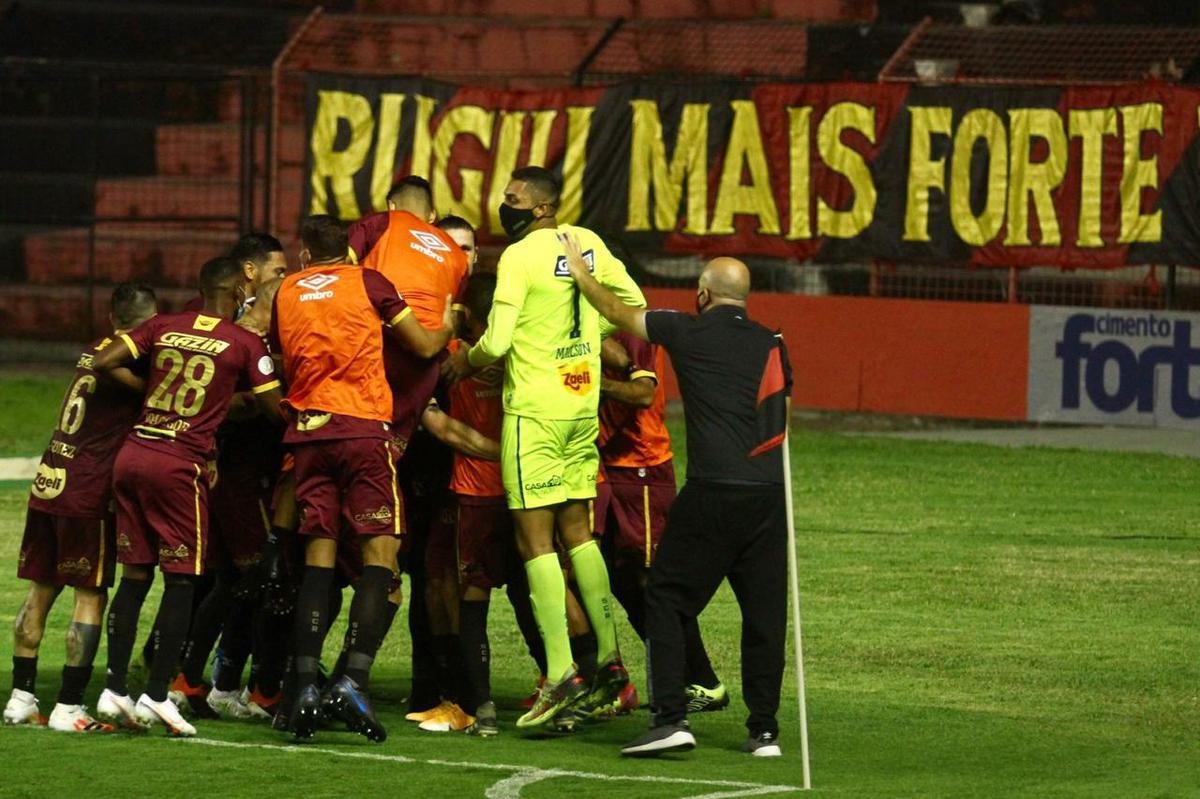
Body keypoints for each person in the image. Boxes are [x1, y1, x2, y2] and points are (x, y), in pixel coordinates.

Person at [559, 240, 792, 758]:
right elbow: (781, 417)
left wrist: (579, 273)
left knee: (664, 596)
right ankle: (764, 732)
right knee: (764, 616)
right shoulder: (771, 342)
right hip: (768, 496)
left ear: (703, 294)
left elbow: (617, 310)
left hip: (713, 492)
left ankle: (670, 719)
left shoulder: (684, 328)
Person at [443, 165, 646, 728]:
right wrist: (577, 340)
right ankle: (609, 663)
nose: (503, 204)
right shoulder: (587, 242)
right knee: (578, 534)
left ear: (539, 206)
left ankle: (560, 673)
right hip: (580, 406)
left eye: (512, 197)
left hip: (534, 413)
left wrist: (466, 363)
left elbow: (497, 342)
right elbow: (630, 302)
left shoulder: (520, 256)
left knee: (534, 543)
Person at [270, 215, 453, 743]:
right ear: (350, 252)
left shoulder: (287, 290)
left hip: (309, 435)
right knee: (382, 557)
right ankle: (352, 679)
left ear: (305, 255)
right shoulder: (370, 282)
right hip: (362, 433)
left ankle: (305, 685)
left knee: (319, 560)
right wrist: (450, 326)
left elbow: (281, 352)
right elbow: (423, 346)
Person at [95, 257, 285, 737]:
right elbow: (273, 408)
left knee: (135, 578)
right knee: (182, 582)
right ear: (238, 291)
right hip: (178, 465)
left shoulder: (163, 325)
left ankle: (114, 688)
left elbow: (103, 361)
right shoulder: (243, 342)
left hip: (134, 454)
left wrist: (150, 394)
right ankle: (158, 695)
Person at [3, 284, 158, 733]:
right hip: (89, 489)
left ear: (112, 317)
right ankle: (69, 706)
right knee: (90, 594)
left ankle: (21, 698)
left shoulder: (94, 349)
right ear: (151, 323)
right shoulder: (135, 359)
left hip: (50, 479)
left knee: (41, 588)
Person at [348, 179, 471, 716]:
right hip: (409, 415)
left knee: (421, 569)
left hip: (383, 387)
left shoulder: (381, 226)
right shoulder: (452, 267)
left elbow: (343, 277)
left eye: (469, 248)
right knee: (399, 563)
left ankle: (435, 688)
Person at [589, 333, 726, 717]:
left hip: (643, 470)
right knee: (619, 581)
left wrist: (588, 382)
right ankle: (669, 676)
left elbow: (643, 394)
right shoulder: (598, 328)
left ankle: (704, 681)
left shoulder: (633, 331)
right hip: (611, 469)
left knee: (653, 582)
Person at [170, 276, 287, 721]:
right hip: (241, 480)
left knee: (227, 582)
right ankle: (243, 687)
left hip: (225, 475)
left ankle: (190, 680)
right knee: (261, 576)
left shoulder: (236, 338)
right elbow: (248, 406)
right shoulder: (247, 344)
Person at [183, 232, 287, 313]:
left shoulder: (277, 310)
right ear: (250, 270)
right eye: (278, 272)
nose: (283, 278)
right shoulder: (201, 308)